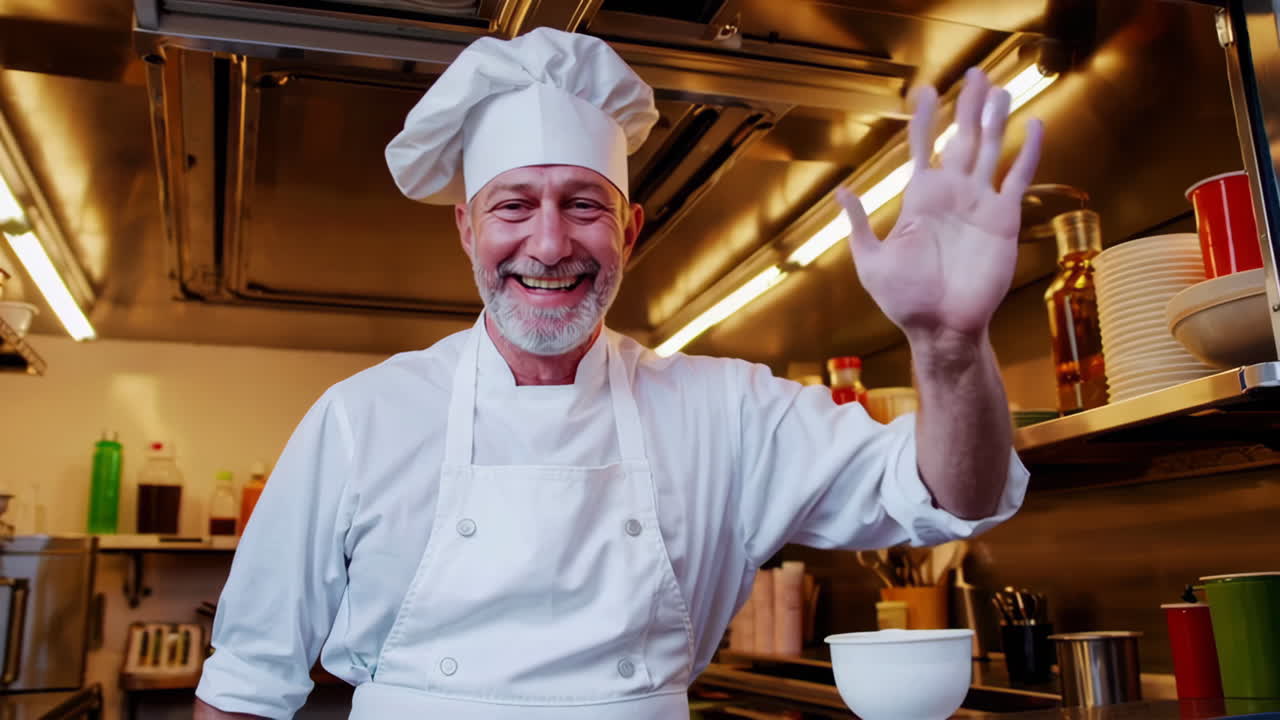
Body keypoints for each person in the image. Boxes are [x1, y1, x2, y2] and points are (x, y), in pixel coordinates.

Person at [194, 26, 1041, 720]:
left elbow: (950, 496)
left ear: (629, 230)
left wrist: (949, 345)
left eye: (584, 204)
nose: (552, 243)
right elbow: (243, 689)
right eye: (515, 205)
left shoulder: (725, 412)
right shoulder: (360, 418)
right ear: (465, 228)